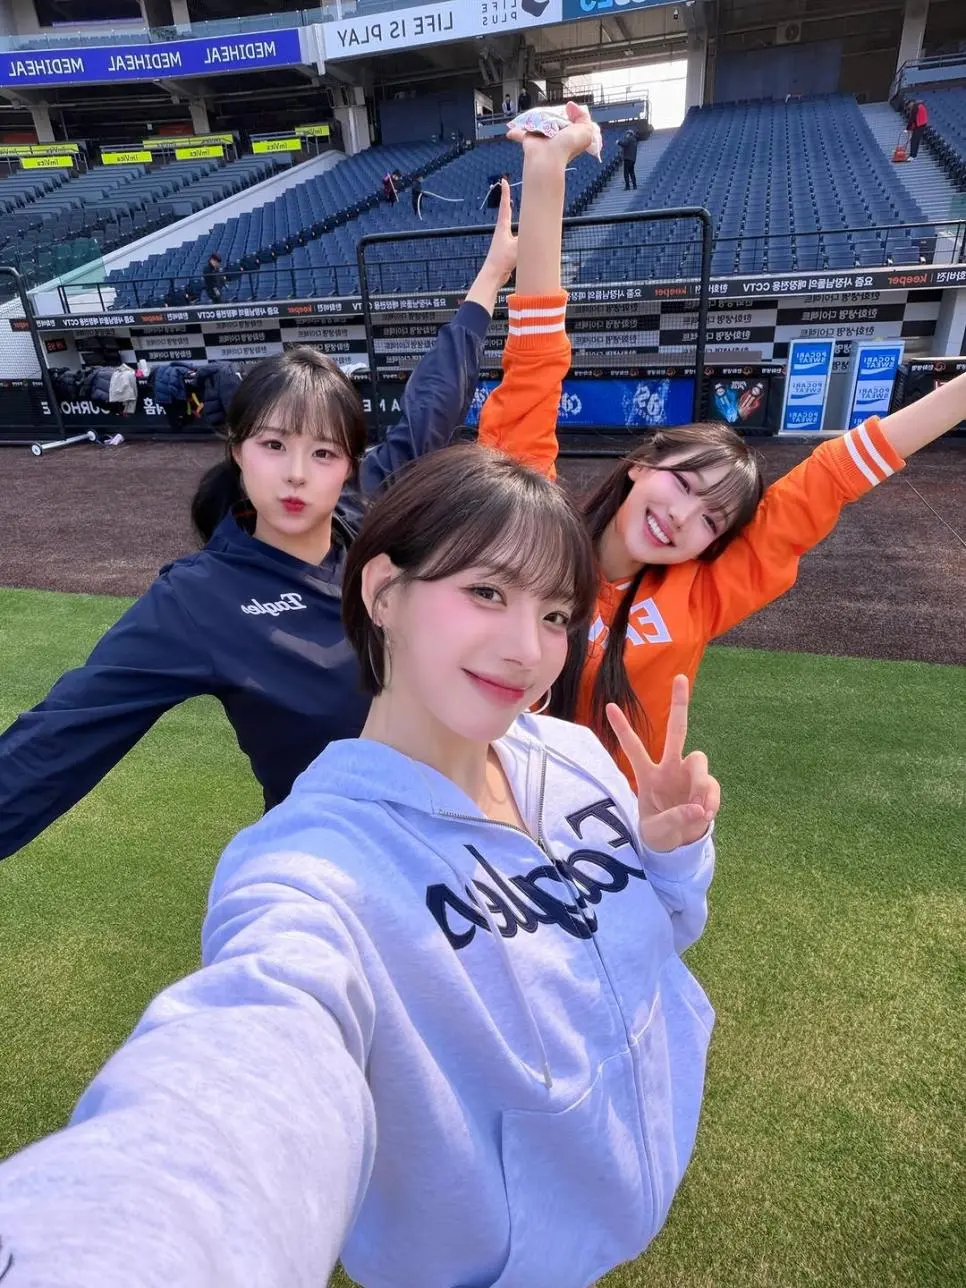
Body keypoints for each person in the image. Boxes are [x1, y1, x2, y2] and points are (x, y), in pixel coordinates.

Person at [0, 444, 720, 1288]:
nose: (529, 649)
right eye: (487, 592)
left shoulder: (580, 758)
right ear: (383, 592)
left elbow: (659, 937)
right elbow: (245, 1065)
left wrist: (672, 855)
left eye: (557, 614)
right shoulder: (311, 868)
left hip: (629, 1188)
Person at [0, 190, 520, 862]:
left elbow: (432, 403)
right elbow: (59, 737)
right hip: (332, 866)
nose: (297, 474)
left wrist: (491, 277)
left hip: (449, 830)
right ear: (238, 451)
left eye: (324, 453)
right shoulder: (199, 600)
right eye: (274, 445)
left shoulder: (366, 516)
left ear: (348, 464)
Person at [477, 109, 966, 772]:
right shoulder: (534, 531)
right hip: (489, 812)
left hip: (619, 830)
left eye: (711, 519)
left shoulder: (701, 593)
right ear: (642, 465)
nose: (683, 517)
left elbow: (829, 479)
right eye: (682, 483)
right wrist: (544, 172)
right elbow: (535, 361)